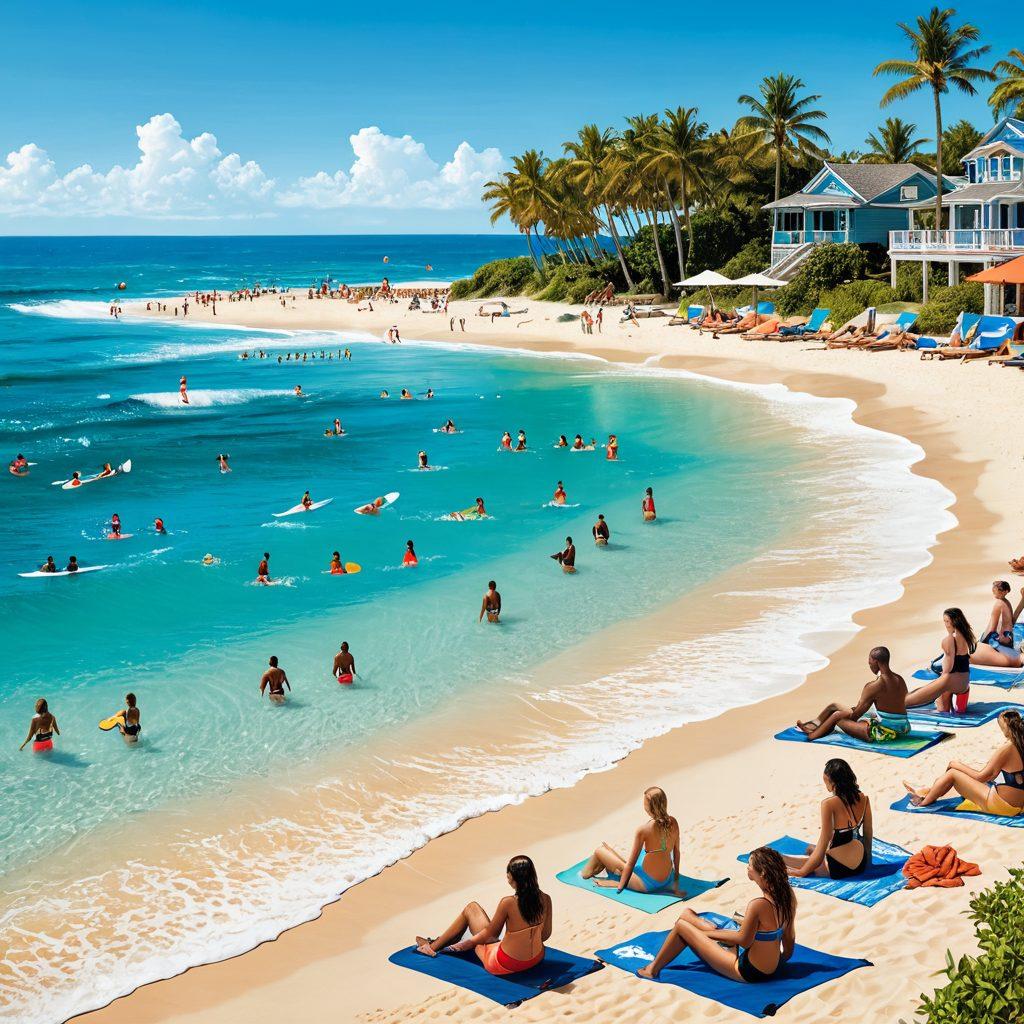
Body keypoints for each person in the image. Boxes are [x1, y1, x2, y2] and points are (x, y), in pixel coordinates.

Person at [636, 847, 796, 983]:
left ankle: (652, 970)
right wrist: (779, 961)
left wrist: (705, 935)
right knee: (727, 927)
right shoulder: (788, 897)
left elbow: (744, 940)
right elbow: (789, 938)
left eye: (750, 864)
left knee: (681, 927)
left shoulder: (758, 905)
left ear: (761, 874)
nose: (747, 867)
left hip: (748, 971)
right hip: (769, 969)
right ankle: (691, 917)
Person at [414, 855, 552, 977]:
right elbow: (545, 935)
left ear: (514, 878)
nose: (508, 879)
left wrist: (467, 944)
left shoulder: (508, 902)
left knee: (471, 908)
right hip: (536, 959)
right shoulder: (546, 899)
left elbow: (490, 936)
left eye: (508, 876)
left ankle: (432, 947)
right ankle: (447, 940)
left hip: (506, 964)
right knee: (480, 926)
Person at [903, 709, 1024, 816]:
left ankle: (924, 801)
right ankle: (929, 791)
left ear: (1006, 728)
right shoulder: (1020, 744)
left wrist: (955, 764)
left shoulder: (1007, 749)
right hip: (1018, 804)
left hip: (1003, 806)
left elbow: (981, 777)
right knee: (963, 773)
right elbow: (991, 776)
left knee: (953, 773)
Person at [581, 786, 684, 895]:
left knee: (599, 851)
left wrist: (619, 887)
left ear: (649, 806)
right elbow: (676, 852)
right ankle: (609, 865)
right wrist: (676, 878)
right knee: (610, 852)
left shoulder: (644, 830)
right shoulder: (673, 822)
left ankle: (591, 872)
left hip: (646, 884)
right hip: (666, 878)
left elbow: (630, 865)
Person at [781, 759, 872, 879]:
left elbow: (823, 843)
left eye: (826, 782)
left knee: (782, 859)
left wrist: (802, 872)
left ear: (833, 783)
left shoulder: (828, 804)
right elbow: (868, 834)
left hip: (837, 868)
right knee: (810, 849)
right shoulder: (864, 799)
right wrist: (868, 862)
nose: (826, 786)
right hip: (861, 863)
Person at [796, 646, 909, 743]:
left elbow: (855, 716)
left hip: (885, 733)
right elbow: (896, 704)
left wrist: (842, 714)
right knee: (834, 705)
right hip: (903, 727)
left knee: (836, 716)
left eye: (870, 663)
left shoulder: (873, 686)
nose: (870, 666)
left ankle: (812, 735)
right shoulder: (900, 679)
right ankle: (815, 724)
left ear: (876, 662)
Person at [906, 609, 975, 710]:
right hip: (964, 683)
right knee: (941, 704)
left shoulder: (949, 640)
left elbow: (947, 668)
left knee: (908, 700)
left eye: (947, 621)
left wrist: (939, 677)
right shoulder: (965, 635)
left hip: (951, 680)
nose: (945, 624)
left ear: (954, 622)